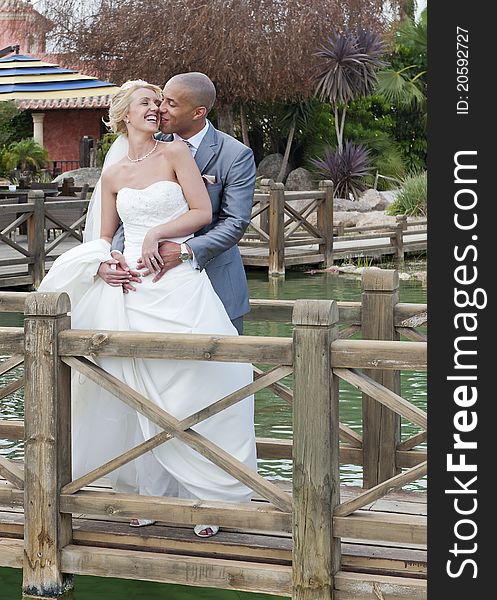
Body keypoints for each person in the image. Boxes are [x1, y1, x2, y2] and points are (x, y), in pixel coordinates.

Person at [38, 80, 257, 538]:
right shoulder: (113, 174)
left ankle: (208, 497)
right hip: (133, 289)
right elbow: (103, 238)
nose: (157, 108)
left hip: (178, 283)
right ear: (125, 116)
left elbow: (204, 212)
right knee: (139, 393)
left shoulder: (177, 153)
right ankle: (147, 492)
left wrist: (160, 234)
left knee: (199, 387)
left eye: (160, 103)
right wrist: (104, 266)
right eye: (148, 102)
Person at [98, 72, 256, 334]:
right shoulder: (152, 149)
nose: (159, 109)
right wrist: (117, 258)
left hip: (214, 279)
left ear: (198, 112)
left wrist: (186, 250)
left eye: (170, 103)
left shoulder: (235, 155)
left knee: (218, 369)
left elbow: (235, 222)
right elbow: (132, 217)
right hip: (143, 279)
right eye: (161, 100)